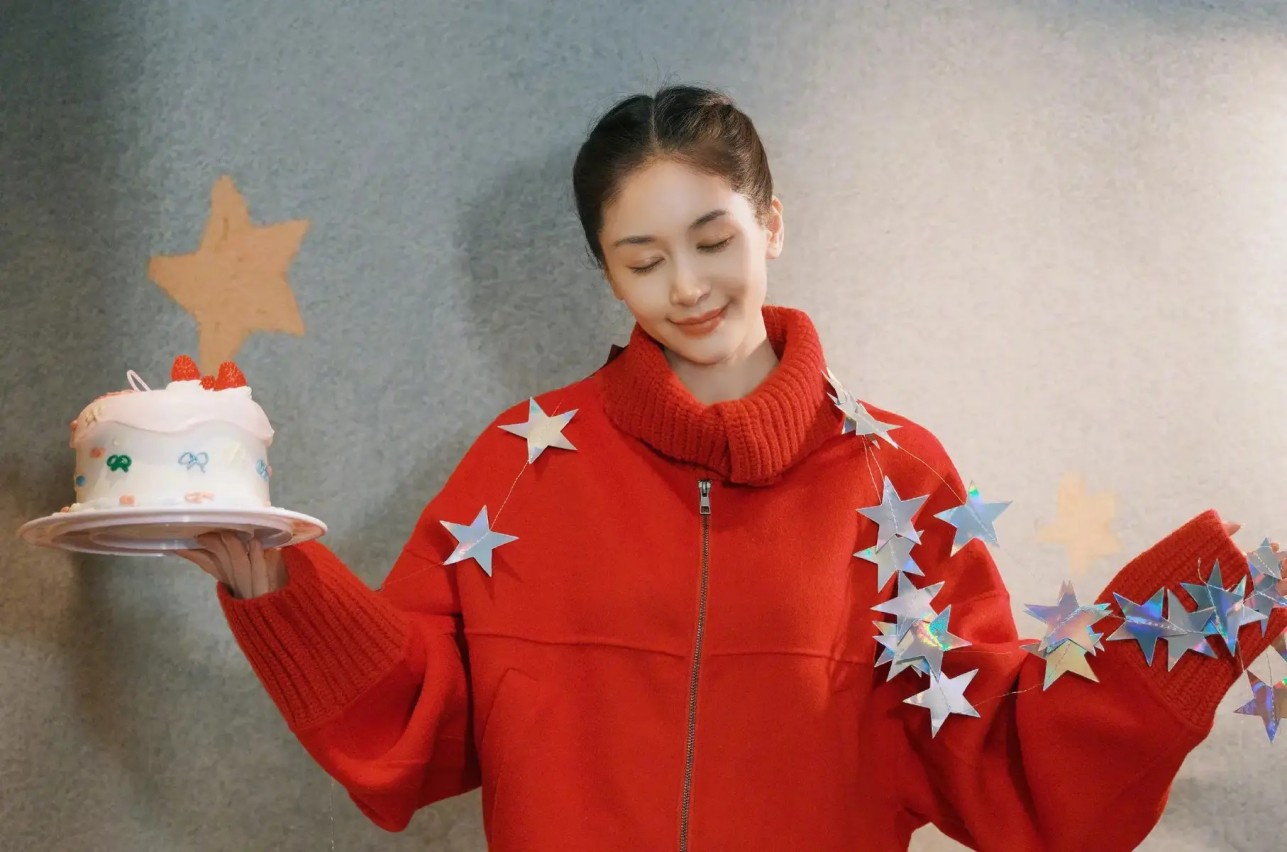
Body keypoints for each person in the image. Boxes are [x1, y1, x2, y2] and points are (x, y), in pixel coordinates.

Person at [179, 85, 1287, 851]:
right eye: (643, 259)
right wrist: (278, 590)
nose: (687, 287)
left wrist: (1199, 616)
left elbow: (998, 750)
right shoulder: (520, 465)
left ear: (772, 223)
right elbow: (415, 718)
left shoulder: (897, 476)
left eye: (713, 240)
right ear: (606, 273)